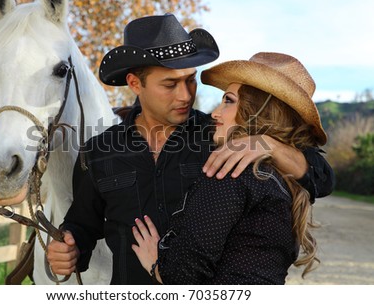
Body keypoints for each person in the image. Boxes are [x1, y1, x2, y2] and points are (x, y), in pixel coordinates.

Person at [47, 14, 334, 284]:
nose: (185, 95)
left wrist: (271, 146)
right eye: (170, 84)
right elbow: (82, 224)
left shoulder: (226, 136)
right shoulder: (98, 151)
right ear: (135, 83)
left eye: (190, 80)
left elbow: (322, 178)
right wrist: (69, 249)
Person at [131, 52, 327, 284]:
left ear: (256, 110)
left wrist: (156, 265)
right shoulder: (279, 180)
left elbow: (182, 277)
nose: (215, 113)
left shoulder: (230, 171)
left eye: (229, 100)